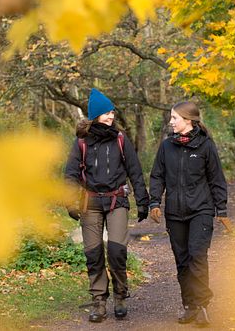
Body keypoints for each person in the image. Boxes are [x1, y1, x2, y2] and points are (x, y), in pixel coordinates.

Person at [64, 88, 150, 323]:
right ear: (95, 116)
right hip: (90, 202)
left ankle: (120, 295)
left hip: (117, 201)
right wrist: (70, 202)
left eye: (112, 112)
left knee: (116, 251)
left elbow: (135, 171)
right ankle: (99, 301)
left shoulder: (121, 139)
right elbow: (70, 174)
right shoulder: (81, 142)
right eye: (106, 113)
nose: (111, 116)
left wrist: (143, 200)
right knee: (93, 254)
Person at [148, 101, 229, 327]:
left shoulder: (206, 146)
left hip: (201, 210)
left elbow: (217, 180)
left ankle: (202, 305)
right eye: (171, 118)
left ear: (188, 120)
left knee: (197, 255)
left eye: (174, 118)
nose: (170, 122)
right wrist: (155, 201)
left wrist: (221, 209)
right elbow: (157, 176)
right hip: (175, 214)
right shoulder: (166, 147)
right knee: (182, 262)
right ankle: (189, 306)